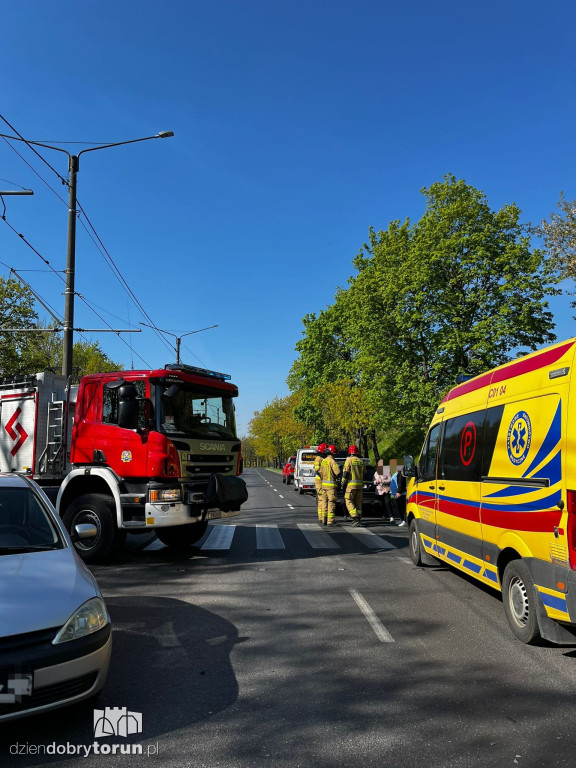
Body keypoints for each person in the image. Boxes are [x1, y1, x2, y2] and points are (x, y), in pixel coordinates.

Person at [317, 444, 341, 526]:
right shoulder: (332, 461)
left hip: (323, 486)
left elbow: (320, 472)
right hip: (331, 487)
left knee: (324, 502)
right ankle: (330, 521)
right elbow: (337, 472)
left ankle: (324, 520)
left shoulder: (323, 461)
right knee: (331, 503)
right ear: (333, 453)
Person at [342, 445, 365, 526]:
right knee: (358, 502)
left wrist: (343, 483)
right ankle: (358, 518)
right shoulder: (361, 461)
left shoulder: (349, 460)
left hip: (351, 485)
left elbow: (345, 473)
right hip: (360, 485)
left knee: (348, 499)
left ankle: (354, 516)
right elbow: (364, 473)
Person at [314, 443, 327, 524]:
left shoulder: (322, 459)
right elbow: (317, 470)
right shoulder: (318, 459)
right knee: (322, 499)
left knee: (321, 499)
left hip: (322, 481)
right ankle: (322, 517)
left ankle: (321, 517)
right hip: (319, 481)